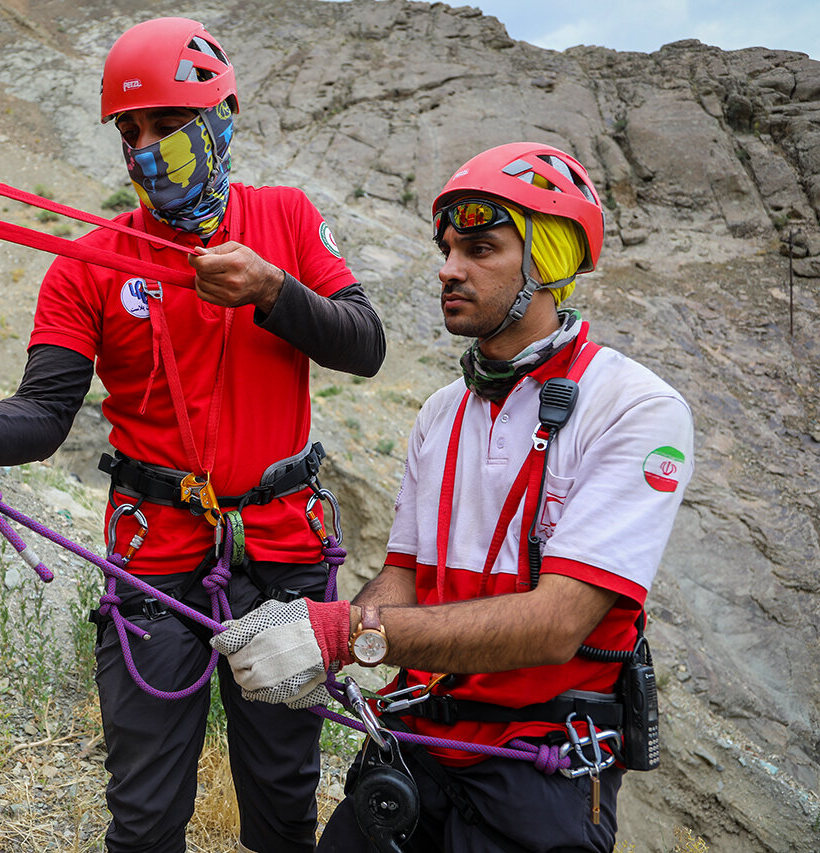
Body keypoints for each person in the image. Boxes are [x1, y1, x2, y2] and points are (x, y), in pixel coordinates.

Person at [0, 17, 385, 852]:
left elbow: (363, 342)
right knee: (146, 815)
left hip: (283, 554)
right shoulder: (89, 264)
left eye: (164, 124)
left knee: (282, 806)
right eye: (130, 130)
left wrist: (273, 290)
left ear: (220, 118)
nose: (145, 148)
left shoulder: (287, 222)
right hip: (156, 561)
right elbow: (44, 414)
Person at [212, 142, 695, 852]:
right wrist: (322, 644)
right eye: (445, 248)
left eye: (479, 249)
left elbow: (560, 622)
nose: (448, 267)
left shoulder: (636, 408)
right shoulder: (443, 412)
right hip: (419, 739)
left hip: (539, 766)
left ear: (546, 263)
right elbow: (406, 575)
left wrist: (342, 632)